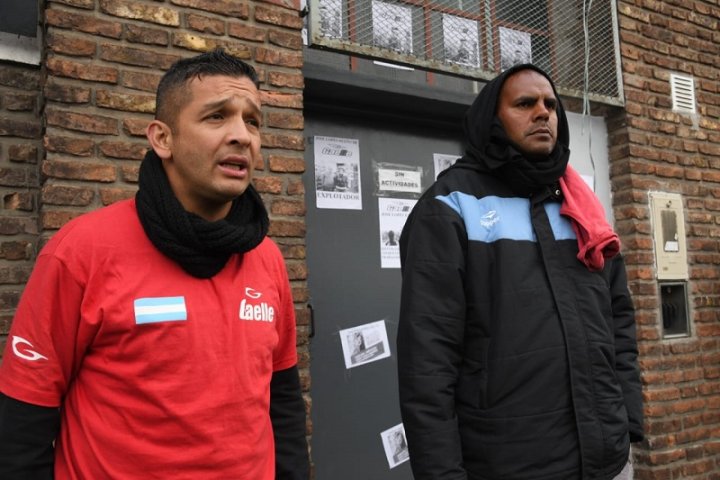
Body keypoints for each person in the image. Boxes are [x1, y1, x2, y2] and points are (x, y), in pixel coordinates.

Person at [0, 49, 309, 479]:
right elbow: (23, 422)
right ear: (162, 139)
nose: (243, 135)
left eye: (252, 120)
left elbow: (284, 401)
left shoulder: (267, 258)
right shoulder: (82, 250)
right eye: (217, 116)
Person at [396, 64, 643, 480]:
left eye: (550, 104)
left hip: (605, 458)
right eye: (525, 104)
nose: (543, 113)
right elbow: (427, 361)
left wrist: (627, 418)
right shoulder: (450, 207)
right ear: (493, 118)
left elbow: (619, 320)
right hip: (506, 464)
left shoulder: (582, 208)